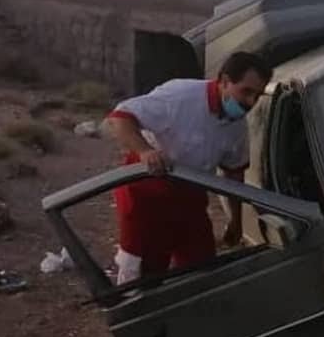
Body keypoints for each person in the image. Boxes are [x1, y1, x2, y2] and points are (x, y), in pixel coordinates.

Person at [106, 51, 272, 283]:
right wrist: (145, 151)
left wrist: (236, 221)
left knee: (201, 270)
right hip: (147, 193)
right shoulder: (180, 97)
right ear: (224, 81)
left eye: (257, 95)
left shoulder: (236, 127)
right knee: (143, 275)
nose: (251, 102)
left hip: (190, 198)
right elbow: (120, 118)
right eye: (246, 91)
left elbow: (234, 174)